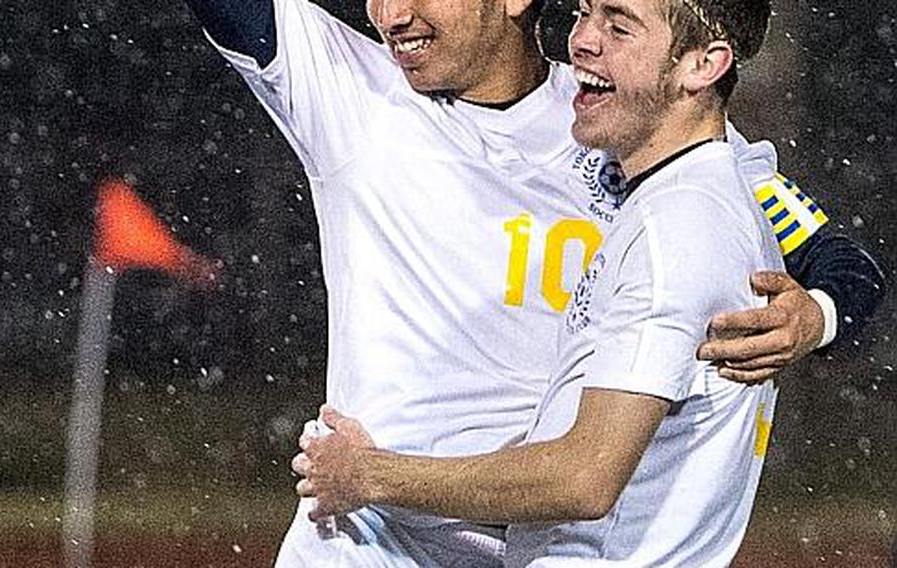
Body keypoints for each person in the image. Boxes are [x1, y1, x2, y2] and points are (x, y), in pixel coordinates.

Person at [180, 0, 886, 565]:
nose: (388, 14)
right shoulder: (347, 91)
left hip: (542, 534)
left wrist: (815, 317)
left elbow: (841, 261)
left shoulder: (638, 129)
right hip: (368, 540)